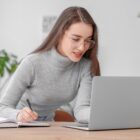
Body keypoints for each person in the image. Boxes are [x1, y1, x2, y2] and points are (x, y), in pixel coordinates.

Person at [0, 6, 100, 123]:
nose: (82, 47)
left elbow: (81, 110)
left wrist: (105, 115)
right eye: (76, 39)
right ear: (60, 34)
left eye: (88, 40)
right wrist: (18, 115)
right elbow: (2, 107)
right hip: (19, 124)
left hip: (49, 126)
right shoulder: (32, 63)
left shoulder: (85, 67)